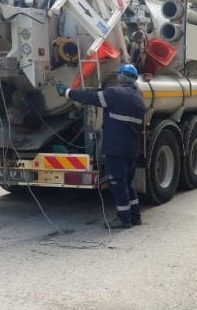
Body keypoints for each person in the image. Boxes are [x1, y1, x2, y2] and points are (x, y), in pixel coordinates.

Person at [57, 64, 147, 228]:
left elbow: (90, 98)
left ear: (119, 78)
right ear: (134, 80)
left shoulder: (114, 93)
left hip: (117, 149)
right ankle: (135, 216)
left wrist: (66, 92)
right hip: (131, 149)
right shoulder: (138, 99)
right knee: (127, 183)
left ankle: (123, 219)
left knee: (117, 183)